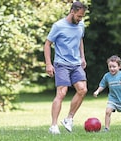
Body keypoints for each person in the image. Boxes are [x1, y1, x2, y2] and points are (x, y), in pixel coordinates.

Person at [43, 1, 88, 134]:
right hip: (61, 63)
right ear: (72, 11)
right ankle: (54, 126)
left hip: (76, 64)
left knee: (83, 90)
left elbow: (80, 39)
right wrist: (48, 64)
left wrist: (82, 57)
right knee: (61, 93)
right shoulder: (58, 26)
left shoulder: (81, 25)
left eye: (82, 17)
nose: (80, 19)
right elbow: (47, 44)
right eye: (79, 16)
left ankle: (69, 118)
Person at [93, 55, 121, 132]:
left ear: (119, 66)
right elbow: (102, 85)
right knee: (108, 112)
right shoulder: (107, 76)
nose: (112, 69)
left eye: (114, 66)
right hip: (112, 98)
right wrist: (97, 91)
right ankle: (106, 128)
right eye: (110, 67)